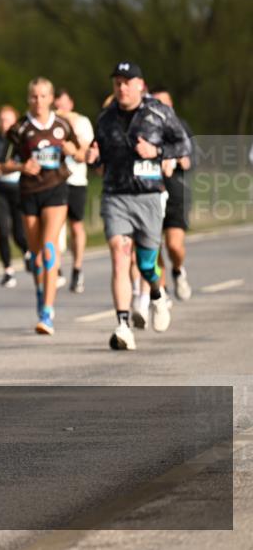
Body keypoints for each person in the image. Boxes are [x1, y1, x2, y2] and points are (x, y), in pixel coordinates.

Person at [87, 62, 192, 350]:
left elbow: (184, 146)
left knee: (147, 265)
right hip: (116, 195)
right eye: (117, 82)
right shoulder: (106, 118)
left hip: (148, 197)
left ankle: (157, 296)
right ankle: (123, 325)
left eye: (127, 82)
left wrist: (156, 152)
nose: (121, 87)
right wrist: (93, 157)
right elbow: (100, 158)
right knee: (120, 255)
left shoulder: (158, 113)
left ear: (140, 85)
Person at [1, 77, 80, 336]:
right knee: (36, 256)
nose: (39, 101)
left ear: (51, 98)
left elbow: (80, 153)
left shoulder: (62, 125)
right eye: (34, 96)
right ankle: (40, 292)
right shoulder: (20, 129)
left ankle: (47, 312)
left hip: (57, 189)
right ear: (28, 99)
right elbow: (3, 164)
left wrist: (75, 151)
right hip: (29, 192)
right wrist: (22, 166)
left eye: (43, 96)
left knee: (49, 249)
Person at [150, 87, 194, 301]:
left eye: (164, 103)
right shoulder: (144, 127)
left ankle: (178, 270)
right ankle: (163, 290)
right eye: (155, 103)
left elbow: (188, 160)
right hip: (151, 193)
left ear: (171, 105)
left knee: (174, 246)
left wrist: (172, 160)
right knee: (154, 245)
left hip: (176, 193)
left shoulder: (181, 127)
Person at [0, 104, 31, 288]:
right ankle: (8, 271)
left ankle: (28, 253)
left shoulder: (22, 141)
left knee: (19, 233)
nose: (4, 124)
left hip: (18, 189)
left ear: (15, 121)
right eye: (1, 120)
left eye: (7, 120)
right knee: (3, 231)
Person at [54, 88, 94, 293]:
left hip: (76, 180)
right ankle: (57, 270)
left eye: (62, 104)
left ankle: (77, 269)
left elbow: (85, 154)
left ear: (71, 104)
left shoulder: (82, 122)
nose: (59, 108)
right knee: (55, 225)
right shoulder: (50, 122)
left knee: (76, 226)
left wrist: (71, 147)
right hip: (54, 180)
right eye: (56, 104)